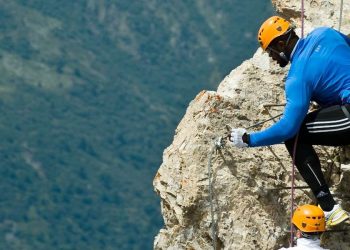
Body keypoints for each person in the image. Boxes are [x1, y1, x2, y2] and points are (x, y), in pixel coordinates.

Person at [229, 16, 350, 226]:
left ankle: (329, 207)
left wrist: (248, 139)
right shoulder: (325, 33)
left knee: (294, 136)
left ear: (281, 44)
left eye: (271, 52)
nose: (273, 59)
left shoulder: (298, 76)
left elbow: (287, 127)